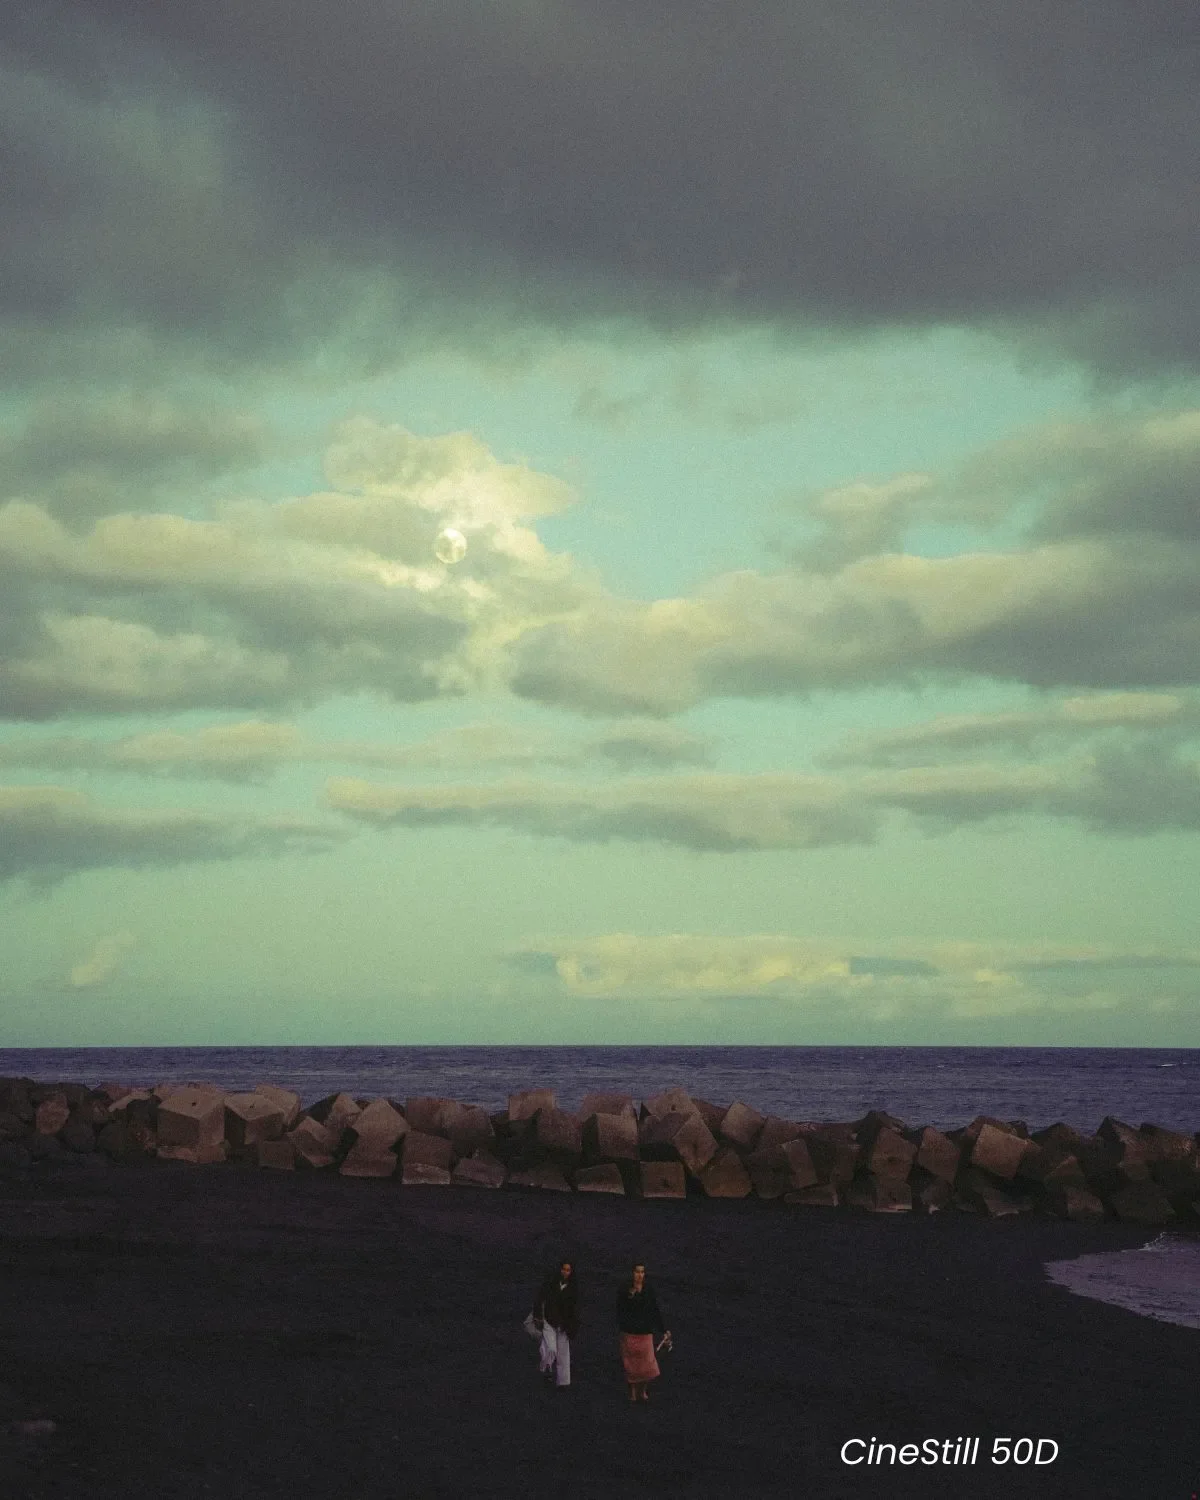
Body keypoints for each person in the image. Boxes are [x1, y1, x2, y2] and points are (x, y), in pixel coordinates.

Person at [617, 1261, 670, 1403]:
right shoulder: (625, 1290)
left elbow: (654, 1310)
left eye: (642, 1272)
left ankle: (643, 1390)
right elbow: (620, 1310)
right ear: (632, 1273)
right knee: (631, 1364)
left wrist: (663, 1329)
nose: (640, 1275)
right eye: (637, 1272)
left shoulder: (648, 1290)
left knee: (647, 1364)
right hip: (630, 1331)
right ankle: (633, 1392)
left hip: (645, 1331)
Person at [532, 1259, 579, 1388]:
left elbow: (575, 1309)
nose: (565, 1272)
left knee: (563, 1354)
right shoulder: (551, 1283)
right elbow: (539, 1299)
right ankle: (546, 1367)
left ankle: (563, 1382)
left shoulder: (574, 1288)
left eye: (568, 1270)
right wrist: (538, 1317)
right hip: (549, 1321)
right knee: (551, 1348)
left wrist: (571, 1326)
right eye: (563, 1269)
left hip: (564, 1325)